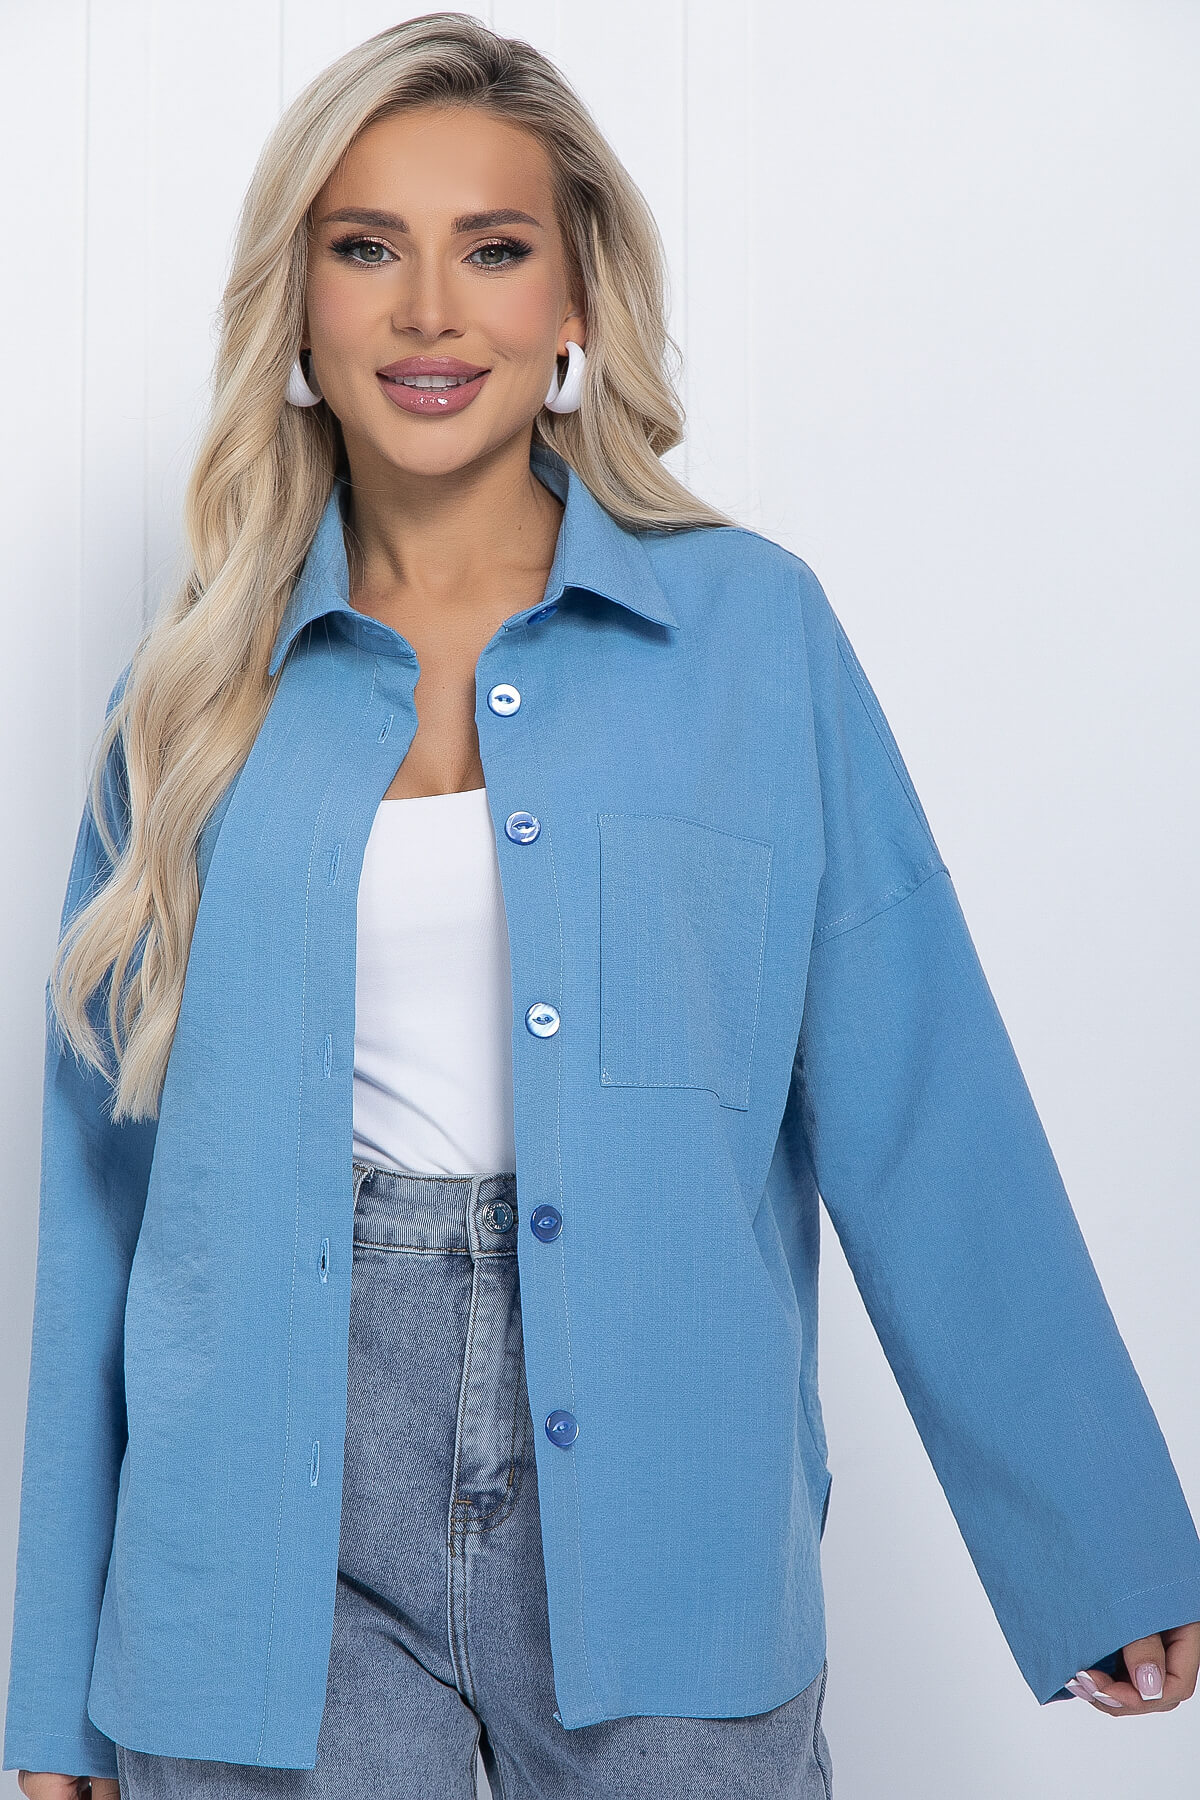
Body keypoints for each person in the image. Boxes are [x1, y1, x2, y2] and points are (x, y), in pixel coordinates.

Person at [5, 13, 1200, 1799]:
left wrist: (1099, 1542)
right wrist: (52, 1692)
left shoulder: (751, 639)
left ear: (574, 304)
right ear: (299, 310)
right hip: (256, 1544)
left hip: (670, 1504)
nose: (430, 312)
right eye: (367, 248)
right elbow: (104, 1204)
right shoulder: (187, 699)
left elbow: (921, 1093)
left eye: (493, 250)